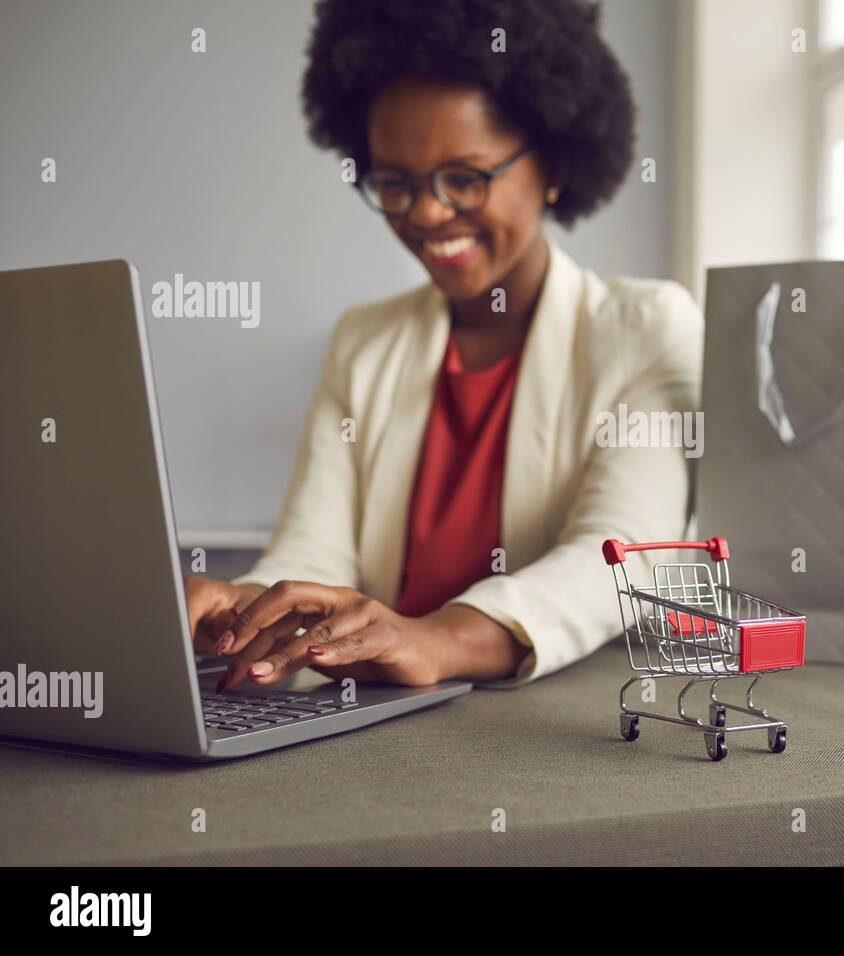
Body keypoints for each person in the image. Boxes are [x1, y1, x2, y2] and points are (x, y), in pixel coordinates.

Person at [183, 0, 701, 692]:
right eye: (394, 183)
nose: (425, 213)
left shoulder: (644, 328)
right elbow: (316, 550)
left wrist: (437, 639)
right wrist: (239, 612)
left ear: (551, 165)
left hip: (556, 736)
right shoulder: (363, 343)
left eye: (465, 177)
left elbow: (621, 556)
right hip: (382, 726)